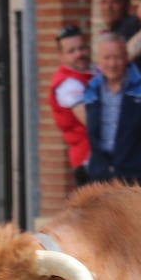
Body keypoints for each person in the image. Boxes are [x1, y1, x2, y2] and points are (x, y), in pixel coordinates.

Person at [82, 32, 141, 186]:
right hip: (101, 176)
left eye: (117, 57)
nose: (112, 64)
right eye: (107, 58)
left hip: (137, 176)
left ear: (126, 57)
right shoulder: (92, 88)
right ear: (98, 60)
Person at [48, 24, 93, 187]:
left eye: (81, 48)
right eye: (71, 51)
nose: (79, 54)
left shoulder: (90, 71)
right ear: (61, 56)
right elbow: (90, 120)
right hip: (88, 160)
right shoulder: (67, 84)